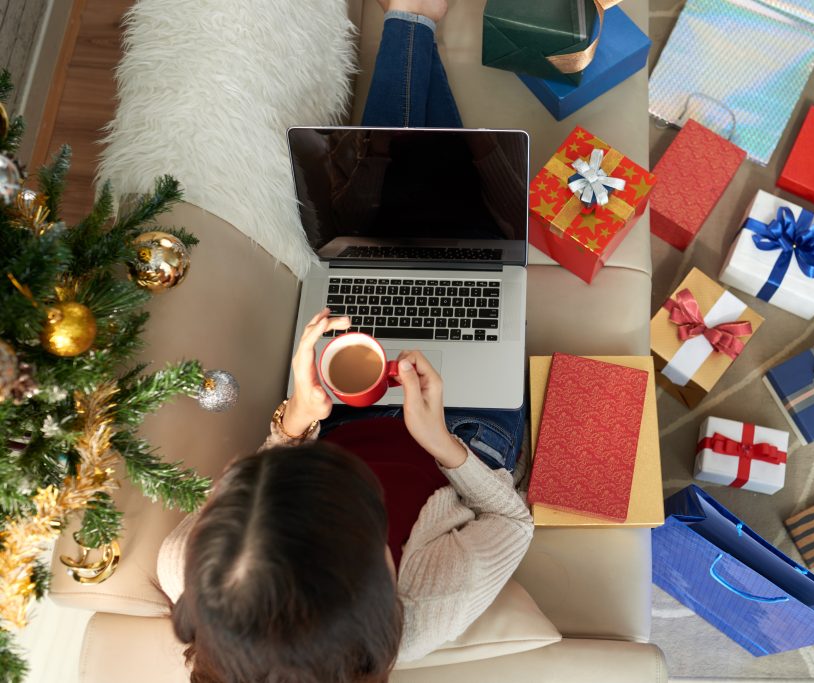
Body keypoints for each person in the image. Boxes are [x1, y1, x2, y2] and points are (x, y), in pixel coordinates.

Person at [157, 3, 534, 681]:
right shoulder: (425, 606)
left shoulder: (201, 567)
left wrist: (295, 420)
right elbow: (512, 522)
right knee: (457, 246)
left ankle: (410, 31)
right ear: (379, 602)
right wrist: (443, 443)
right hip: (461, 435)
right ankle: (411, 27)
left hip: (338, 417)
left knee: (370, 249)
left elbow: (254, 493)